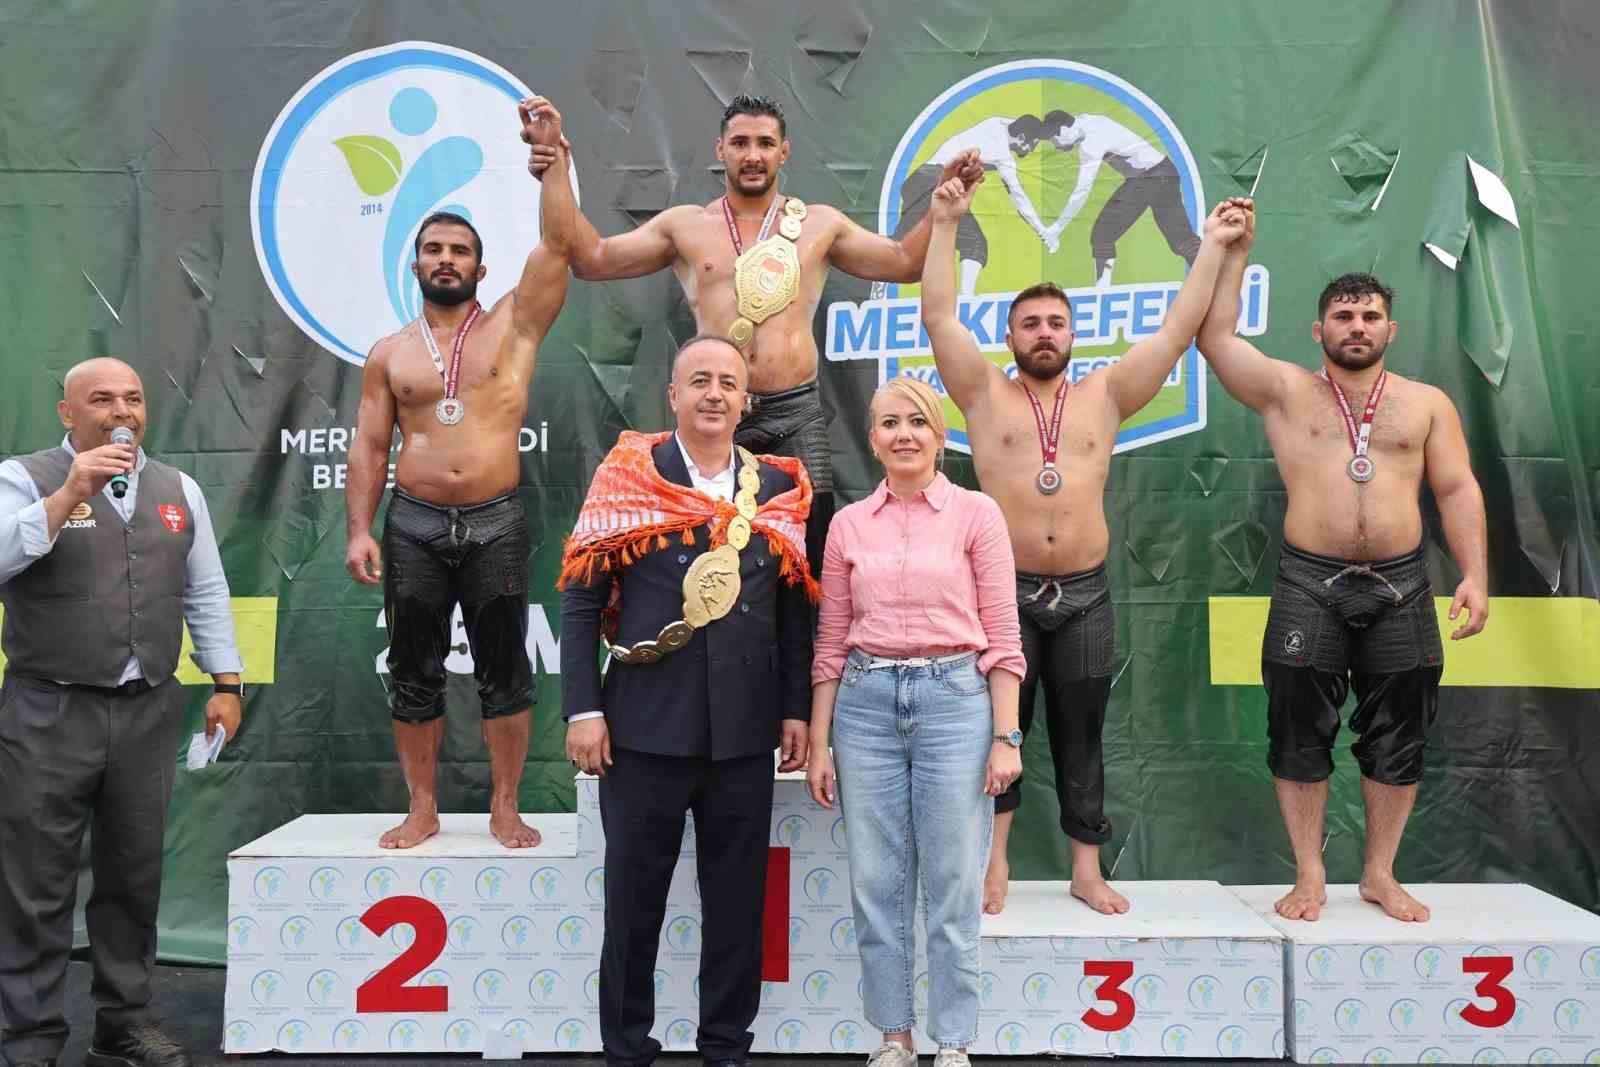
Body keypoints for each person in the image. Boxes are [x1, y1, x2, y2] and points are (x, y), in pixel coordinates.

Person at [921, 178, 1250, 914]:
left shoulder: (1107, 393)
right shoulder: (981, 393)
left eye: (1056, 323)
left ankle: (1086, 870)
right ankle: (994, 865)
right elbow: (939, 313)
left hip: (1085, 595)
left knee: (1083, 735)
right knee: (997, 733)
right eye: (1030, 323)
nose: (1044, 332)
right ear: (1009, 337)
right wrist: (944, 222)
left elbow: (1176, 331)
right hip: (1001, 595)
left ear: (1074, 335)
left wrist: (1212, 247)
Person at [531, 94, 980, 570]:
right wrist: (556, 167)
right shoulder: (686, 226)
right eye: (740, 143)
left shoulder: (819, 225)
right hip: (717, 414)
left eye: (765, 143)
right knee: (710, 559)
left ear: (784, 152)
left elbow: (905, 263)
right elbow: (591, 259)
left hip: (796, 414)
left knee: (810, 561)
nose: (752, 155)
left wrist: (940, 207)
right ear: (719, 149)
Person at [1197, 202, 1488, 923]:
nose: (1357, 326)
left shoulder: (1425, 404)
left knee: (1400, 735)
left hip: (1402, 587)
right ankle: (1310, 873)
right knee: (1298, 732)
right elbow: (1216, 337)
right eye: (1343, 316)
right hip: (1310, 583)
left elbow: (1456, 488)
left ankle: (1380, 874)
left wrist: (1476, 574)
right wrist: (1235, 252)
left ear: (1391, 329)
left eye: (1369, 316)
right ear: (1318, 329)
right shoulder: (1286, 391)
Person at [558, 335, 817, 1067]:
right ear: (673, 395)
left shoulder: (778, 486)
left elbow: (794, 613)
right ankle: (625, 1048)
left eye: (728, 383)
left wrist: (795, 709)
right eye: (699, 380)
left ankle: (725, 1047)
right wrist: (583, 710)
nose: (714, 394)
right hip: (643, 729)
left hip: (743, 735)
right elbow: (580, 603)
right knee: (632, 904)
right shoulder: (628, 476)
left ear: (745, 400)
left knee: (737, 905)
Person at [344, 95, 576, 849]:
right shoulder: (389, 353)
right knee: (414, 671)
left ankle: (506, 804)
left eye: (460, 251)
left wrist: (554, 160)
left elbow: (560, 244)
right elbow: (369, 445)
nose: (447, 259)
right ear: (414, 263)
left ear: (481, 266)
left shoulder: (514, 324)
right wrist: (358, 529)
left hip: (494, 519)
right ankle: (423, 807)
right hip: (412, 522)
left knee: (506, 669)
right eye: (434, 249)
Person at [0, 358, 243, 1067]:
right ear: (67, 413)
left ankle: (122, 1023)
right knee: (35, 880)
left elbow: (206, 590)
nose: (122, 412)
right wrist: (69, 492)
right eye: (102, 399)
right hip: (49, 707)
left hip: (147, 709)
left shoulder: (178, 489)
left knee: (133, 875)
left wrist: (226, 682)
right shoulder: (24, 478)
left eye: (133, 399)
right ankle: (30, 1036)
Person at [805, 377, 1023, 1067]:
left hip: (955, 704)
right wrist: (820, 741)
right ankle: (893, 1038)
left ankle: (953, 1042)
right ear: (872, 439)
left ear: (940, 435)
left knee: (954, 882)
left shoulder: (977, 515)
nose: (905, 434)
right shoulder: (848, 525)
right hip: (864, 708)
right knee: (876, 882)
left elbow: (1003, 636)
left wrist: (1006, 736)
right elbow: (830, 642)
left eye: (918, 422)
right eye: (890, 423)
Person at [888, 114, 1062, 295]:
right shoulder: (1002, 154)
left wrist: (1041, 128)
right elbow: (1019, 197)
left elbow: (1014, 123)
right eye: (1033, 144)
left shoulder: (996, 122)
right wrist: (1043, 231)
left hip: (918, 180)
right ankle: (966, 299)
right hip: (935, 182)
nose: (1032, 150)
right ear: (1022, 137)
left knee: (902, 246)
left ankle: (878, 279)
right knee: (974, 243)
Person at [1036, 110, 1202, 288]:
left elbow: (1081, 190)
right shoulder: (1089, 120)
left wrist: (1057, 227)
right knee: (1181, 241)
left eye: (1053, 139)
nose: (1055, 145)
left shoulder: (1091, 141)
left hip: (1150, 177)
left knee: (1103, 235)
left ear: (1063, 129)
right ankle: (1213, 275)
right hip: (1164, 172)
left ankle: (1102, 291)